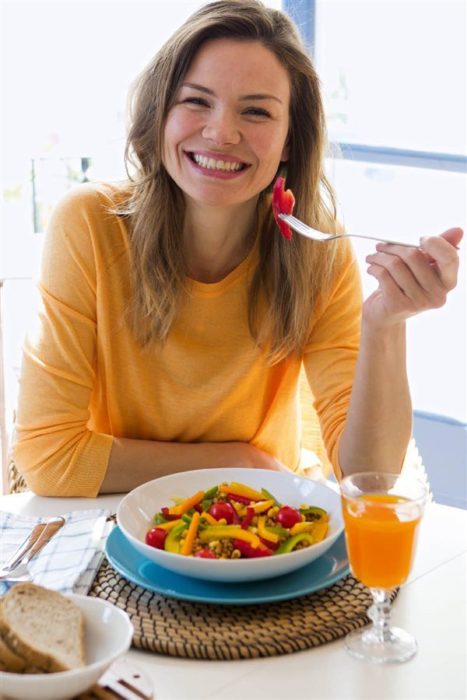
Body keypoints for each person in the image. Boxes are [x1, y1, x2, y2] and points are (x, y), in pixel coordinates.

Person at [12, 0, 462, 497]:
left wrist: (385, 324)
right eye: (196, 101)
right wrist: (239, 461)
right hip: (121, 514)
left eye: (256, 111)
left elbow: (369, 478)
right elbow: (51, 459)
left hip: (265, 515)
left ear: (291, 138)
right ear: (160, 113)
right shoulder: (89, 224)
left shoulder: (317, 250)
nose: (222, 133)